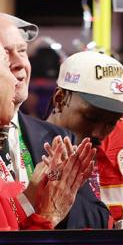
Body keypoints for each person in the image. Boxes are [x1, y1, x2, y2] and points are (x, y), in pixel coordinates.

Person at [0, 13, 111, 229]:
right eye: (5, 55)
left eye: (22, 50)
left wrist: (60, 203)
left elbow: (100, 220)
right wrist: (42, 213)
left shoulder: (59, 139)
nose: (19, 63)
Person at [47, 51, 123, 228]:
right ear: (60, 100)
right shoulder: (26, 146)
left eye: (112, 122)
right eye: (90, 117)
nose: (99, 133)